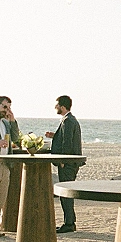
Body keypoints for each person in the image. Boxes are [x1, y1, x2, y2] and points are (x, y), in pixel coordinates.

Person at [46, 96, 82, 233]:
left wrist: (62, 161)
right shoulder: (71, 120)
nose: (55, 107)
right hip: (71, 162)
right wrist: (54, 136)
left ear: (62, 106)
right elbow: (66, 138)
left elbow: (67, 143)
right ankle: (70, 221)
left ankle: (69, 223)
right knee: (66, 192)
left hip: (67, 164)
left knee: (65, 193)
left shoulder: (68, 121)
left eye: (57, 105)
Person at [0, 96, 19, 238]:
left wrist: (13, 121)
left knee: (0, 199)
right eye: (4, 107)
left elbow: (15, 139)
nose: (6, 110)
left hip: (5, 164)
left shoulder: (6, 123)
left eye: (8, 107)